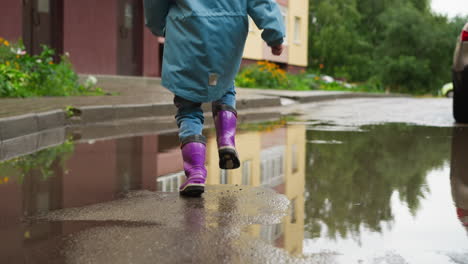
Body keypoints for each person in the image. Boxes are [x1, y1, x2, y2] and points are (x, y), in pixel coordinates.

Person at [144, 0, 285, 196]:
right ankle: (226, 140)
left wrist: (158, 25)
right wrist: (275, 35)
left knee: (188, 106)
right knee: (225, 86)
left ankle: (195, 173)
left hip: (187, 31)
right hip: (228, 32)